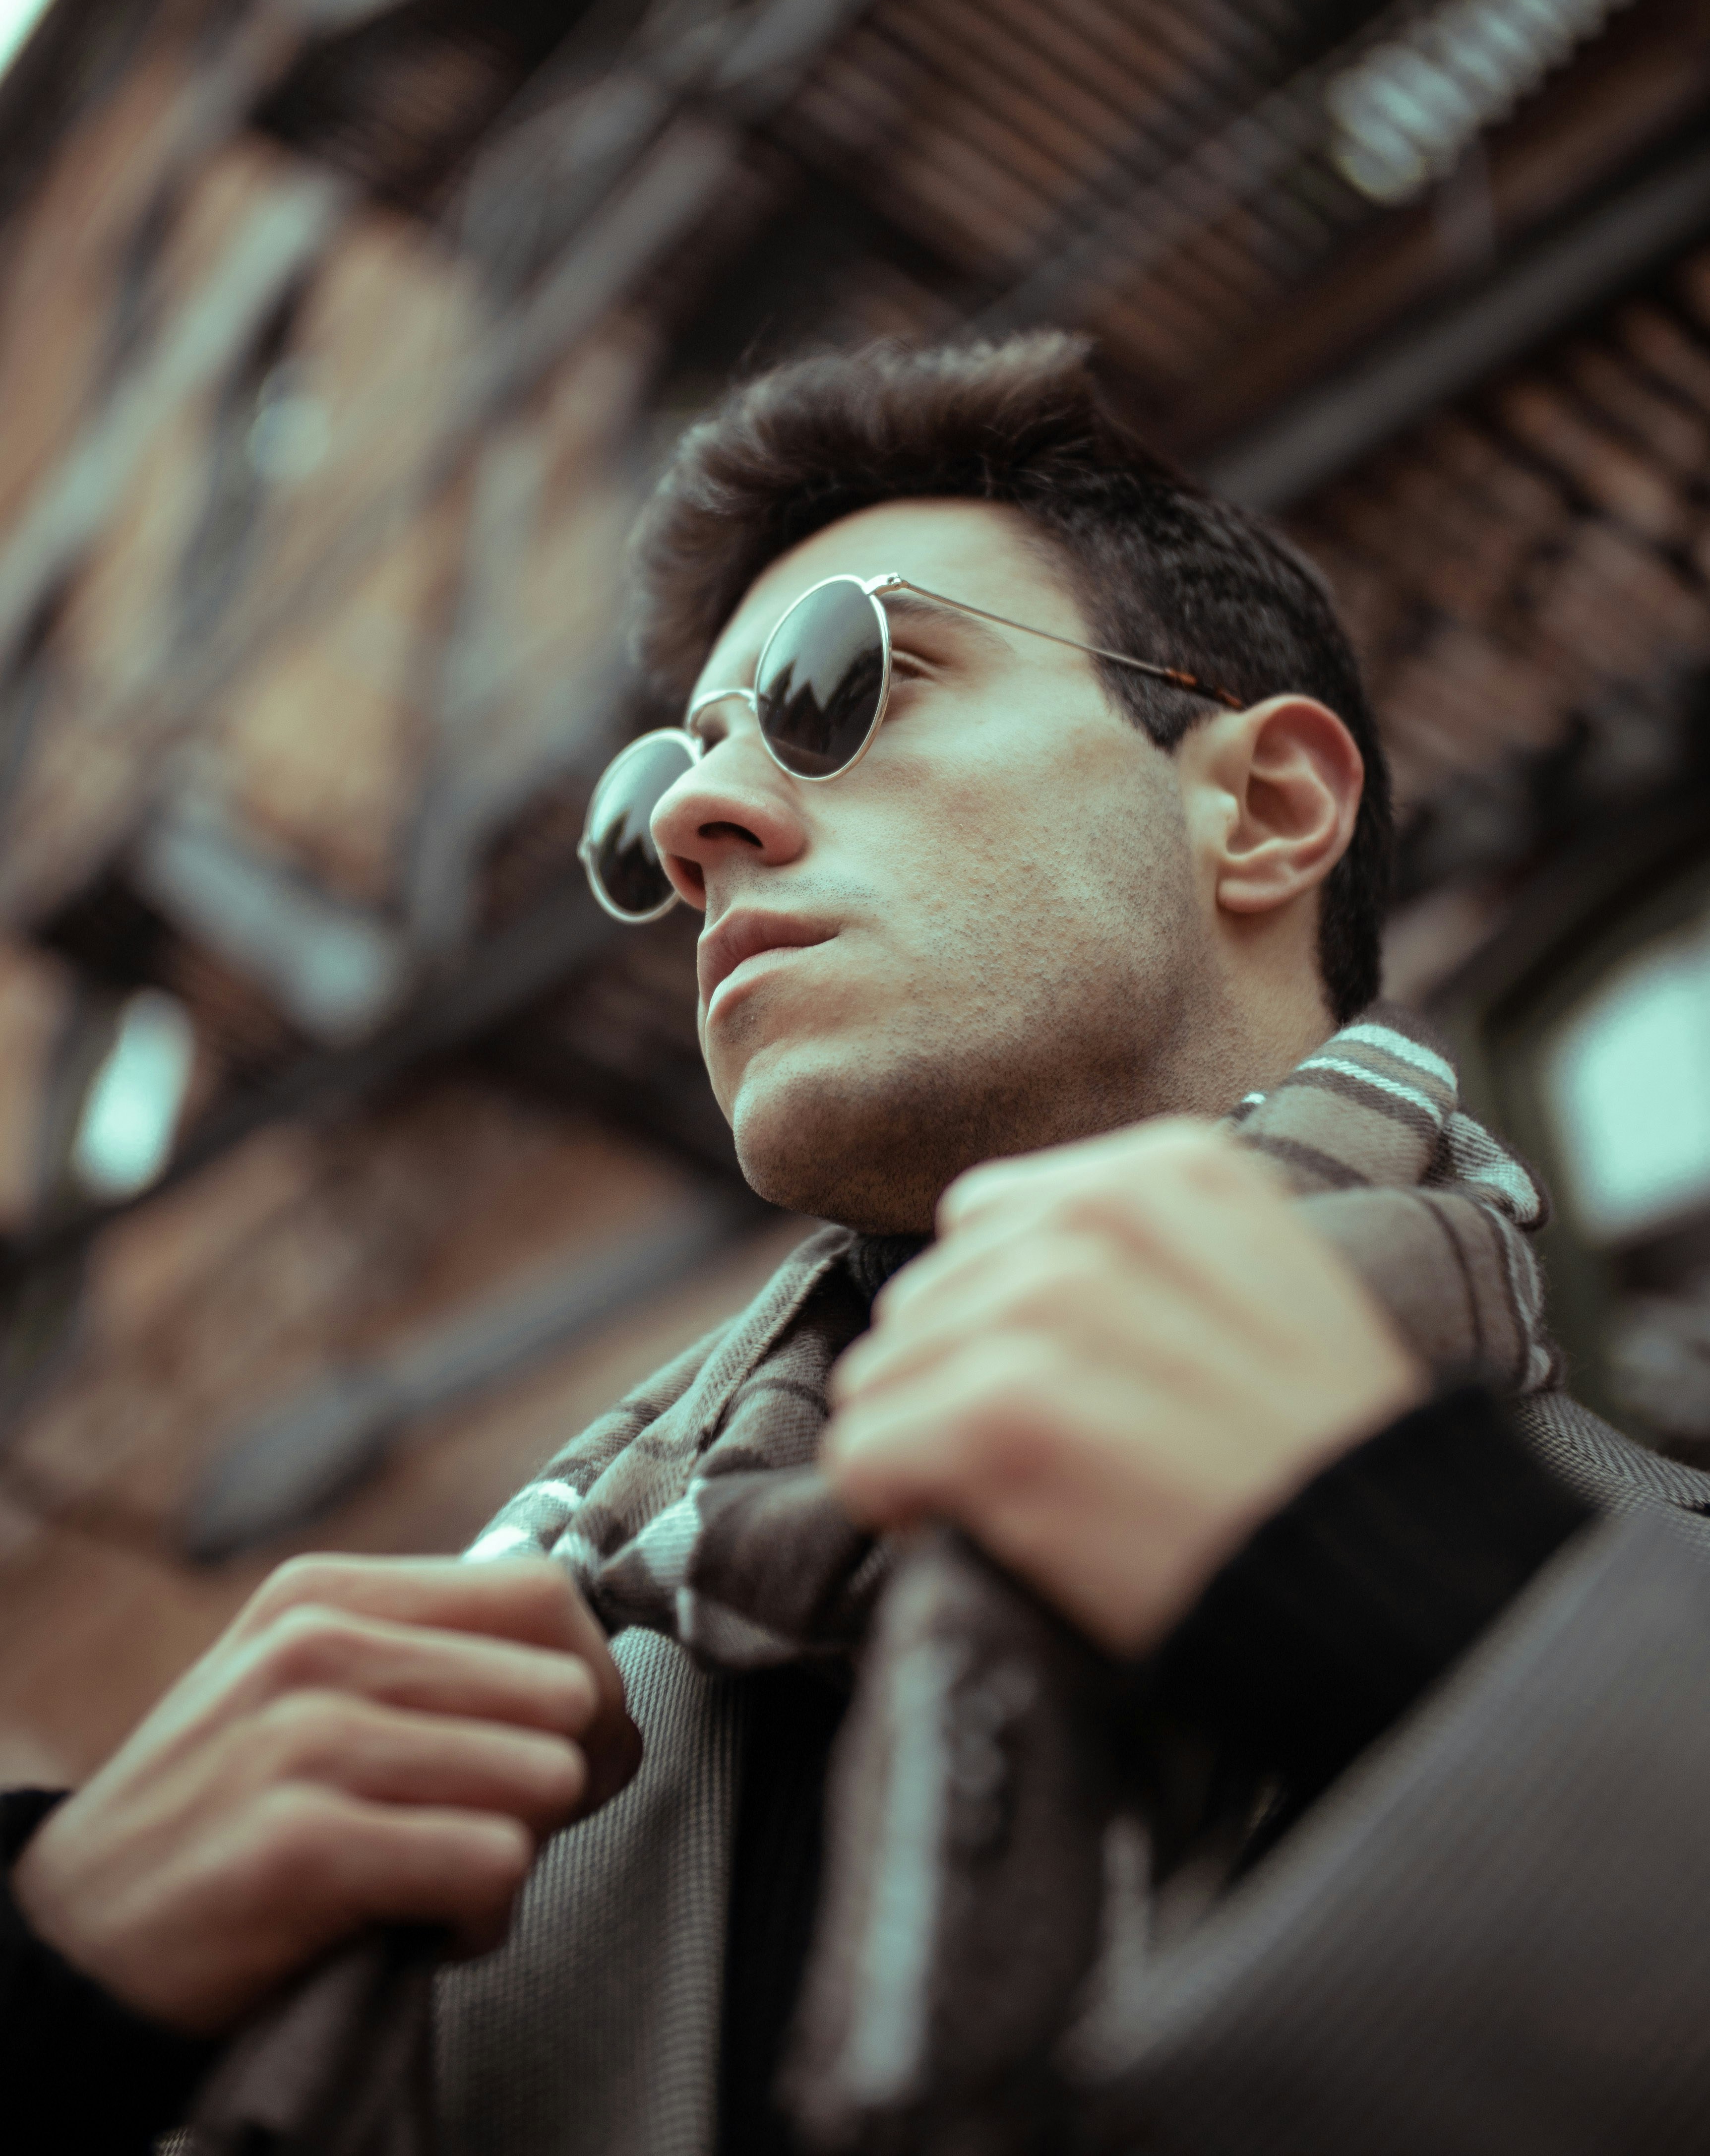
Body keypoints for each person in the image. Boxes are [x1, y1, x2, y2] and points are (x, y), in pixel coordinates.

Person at [7, 333, 1710, 2156]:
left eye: (841, 681)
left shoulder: (1633, 1570)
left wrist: (1419, 1591)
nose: (692, 825)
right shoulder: (483, 1767)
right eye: (656, 791)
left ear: (1267, 806)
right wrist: (51, 1996)